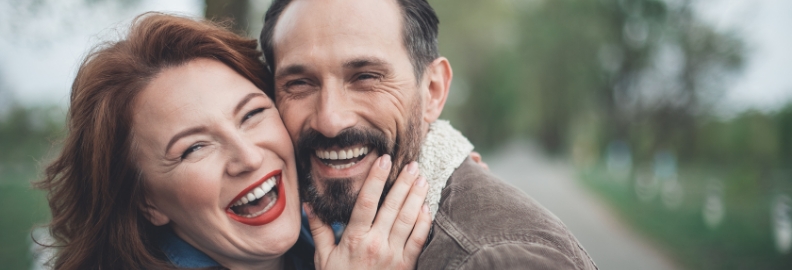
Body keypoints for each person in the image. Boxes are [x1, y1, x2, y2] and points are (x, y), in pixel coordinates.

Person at [36, 13, 432, 269]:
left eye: (252, 114)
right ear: (147, 200)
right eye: (194, 148)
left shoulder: (327, 226)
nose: (247, 156)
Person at [259, 0, 599, 268]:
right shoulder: (297, 228)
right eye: (299, 83)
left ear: (433, 91)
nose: (330, 120)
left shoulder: (494, 259)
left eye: (365, 77)